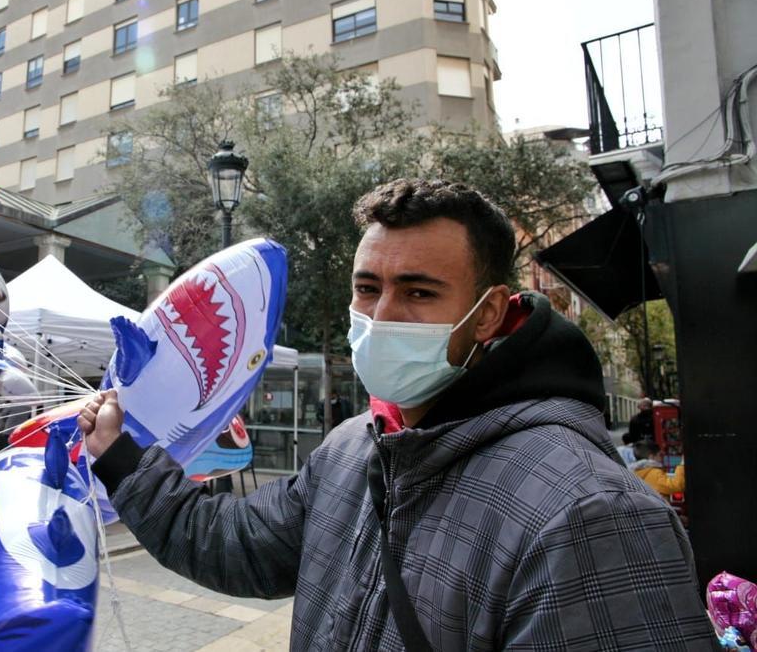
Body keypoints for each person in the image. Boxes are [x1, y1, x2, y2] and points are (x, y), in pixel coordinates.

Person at [78, 179, 716, 649]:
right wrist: (123, 460)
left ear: (491, 313)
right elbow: (239, 546)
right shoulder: (355, 447)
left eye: (418, 292)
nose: (380, 317)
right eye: (367, 288)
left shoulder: (591, 513)